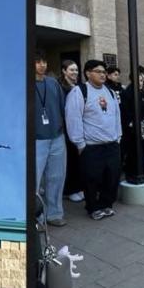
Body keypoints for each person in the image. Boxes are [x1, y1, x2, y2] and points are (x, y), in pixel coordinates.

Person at [65, 58, 123, 220]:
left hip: (111, 144)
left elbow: (116, 116)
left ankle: (106, 204)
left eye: (104, 72)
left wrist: (118, 136)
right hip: (91, 146)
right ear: (88, 73)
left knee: (112, 177)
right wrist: (80, 143)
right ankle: (93, 207)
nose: (103, 75)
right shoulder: (79, 92)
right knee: (91, 179)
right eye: (98, 72)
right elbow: (73, 118)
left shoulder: (110, 92)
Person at [34, 53, 68, 226]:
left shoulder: (53, 83)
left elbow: (63, 107)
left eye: (44, 62)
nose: (42, 65)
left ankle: (54, 214)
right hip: (35, 140)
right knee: (34, 180)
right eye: (37, 62)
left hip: (57, 137)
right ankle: (36, 217)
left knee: (56, 177)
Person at [59, 59, 85, 203]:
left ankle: (78, 187)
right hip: (66, 129)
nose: (75, 72)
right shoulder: (60, 87)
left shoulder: (78, 87)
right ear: (64, 71)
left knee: (78, 160)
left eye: (76, 70)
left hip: (79, 127)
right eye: (71, 70)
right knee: (70, 160)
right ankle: (70, 190)